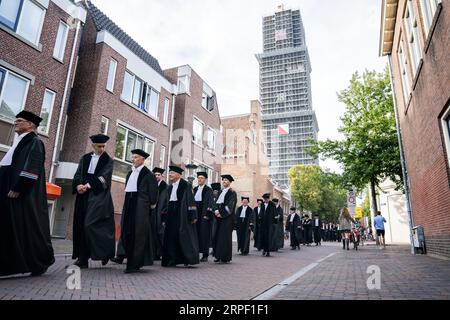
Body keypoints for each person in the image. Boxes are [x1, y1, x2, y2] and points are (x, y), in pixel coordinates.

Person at [0, 111, 54, 277]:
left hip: (21, 195)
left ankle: (38, 261)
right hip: (8, 190)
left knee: (26, 229)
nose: (15, 122)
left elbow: (32, 168)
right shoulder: (19, 142)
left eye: (20, 120)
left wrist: (19, 188)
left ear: (30, 125)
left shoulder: (35, 142)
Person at [72, 134, 115, 269]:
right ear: (93, 146)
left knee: (90, 224)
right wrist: (78, 185)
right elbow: (78, 174)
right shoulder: (84, 158)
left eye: (103, 146)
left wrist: (88, 186)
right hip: (83, 196)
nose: (101, 149)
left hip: (99, 197)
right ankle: (82, 258)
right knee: (80, 225)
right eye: (99, 146)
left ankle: (106, 252)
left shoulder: (108, 160)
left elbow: (105, 177)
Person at [113, 150, 158, 273]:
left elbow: (153, 194)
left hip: (141, 208)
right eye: (132, 157)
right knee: (127, 232)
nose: (133, 159)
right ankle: (129, 259)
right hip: (129, 205)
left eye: (136, 157)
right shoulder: (129, 173)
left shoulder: (148, 175)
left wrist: (149, 206)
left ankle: (134, 264)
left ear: (143, 159)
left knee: (138, 234)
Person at [161, 166, 199, 267]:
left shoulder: (186, 186)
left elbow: (191, 201)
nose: (170, 175)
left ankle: (186, 259)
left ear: (178, 175)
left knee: (183, 237)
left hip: (183, 216)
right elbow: (165, 204)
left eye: (172, 173)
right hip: (171, 216)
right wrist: (164, 218)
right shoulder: (169, 187)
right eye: (170, 173)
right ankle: (171, 259)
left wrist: (193, 216)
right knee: (171, 237)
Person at [212, 175, 237, 263]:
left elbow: (230, 205)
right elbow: (214, 202)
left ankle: (225, 257)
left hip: (227, 218)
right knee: (217, 236)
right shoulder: (220, 191)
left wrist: (221, 213)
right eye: (223, 180)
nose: (224, 181)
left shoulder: (232, 193)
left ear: (230, 182)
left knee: (224, 237)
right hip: (218, 217)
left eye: (226, 180)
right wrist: (215, 210)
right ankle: (217, 255)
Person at [193, 172, 214, 262]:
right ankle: (195, 253)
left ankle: (205, 254)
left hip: (204, 215)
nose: (200, 179)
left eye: (201, 178)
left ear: (205, 179)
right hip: (195, 215)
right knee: (195, 234)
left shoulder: (208, 190)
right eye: (198, 178)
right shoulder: (195, 189)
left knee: (204, 235)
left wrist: (208, 215)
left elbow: (210, 203)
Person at [151, 167, 167, 261]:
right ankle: (154, 254)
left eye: (158, 175)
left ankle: (161, 253)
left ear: (162, 176)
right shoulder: (152, 185)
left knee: (160, 233)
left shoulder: (165, 187)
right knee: (153, 233)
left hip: (161, 213)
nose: (156, 176)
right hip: (153, 212)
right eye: (155, 175)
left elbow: (166, 202)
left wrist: (164, 214)